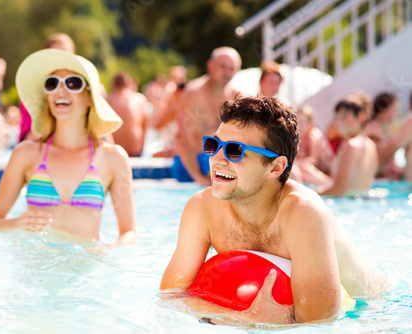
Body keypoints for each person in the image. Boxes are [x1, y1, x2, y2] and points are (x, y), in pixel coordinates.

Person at [160, 96, 382, 324]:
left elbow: (319, 322)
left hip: (370, 308)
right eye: (213, 145)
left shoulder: (303, 213)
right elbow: (169, 298)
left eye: (235, 151)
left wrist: (257, 322)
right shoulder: (202, 208)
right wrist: (242, 318)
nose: (217, 158)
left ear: (276, 167)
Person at [0, 49, 137, 252]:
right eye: (52, 83)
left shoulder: (113, 158)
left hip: (86, 270)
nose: (60, 90)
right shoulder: (26, 154)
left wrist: (108, 249)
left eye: (73, 83)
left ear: (91, 97)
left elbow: (129, 233)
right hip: (37, 270)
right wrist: (16, 224)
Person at [172, 47, 242, 185]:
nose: (227, 72)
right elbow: (183, 138)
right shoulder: (195, 93)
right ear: (210, 66)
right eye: (222, 67)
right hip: (193, 162)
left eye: (231, 68)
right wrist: (198, 177)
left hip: (220, 162)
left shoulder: (236, 97)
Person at [20, 33, 77, 142]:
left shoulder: (90, 88)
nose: (62, 58)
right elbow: (27, 140)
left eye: (66, 53)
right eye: (55, 54)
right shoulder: (32, 92)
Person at [316, 100, 378, 197]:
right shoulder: (371, 145)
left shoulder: (351, 146)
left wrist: (311, 195)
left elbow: (339, 190)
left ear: (360, 117)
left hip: (347, 204)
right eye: (337, 117)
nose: (339, 121)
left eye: (344, 116)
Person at [106, 71, 150, 157]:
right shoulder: (139, 99)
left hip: (114, 152)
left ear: (112, 85)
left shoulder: (106, 101)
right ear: (128, 84)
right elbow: (146, 125)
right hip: (134, 150)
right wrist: (142, 147)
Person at [363, 92, 402, 179]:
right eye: (395, 108)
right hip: (374, 173)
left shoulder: (389, 128)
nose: (398, 111)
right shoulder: (371, 128)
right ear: (383, 109)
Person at [292, 105, 333, 187]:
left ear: (309, 125)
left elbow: (313, 159)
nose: (298, 125)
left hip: (325, 172)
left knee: (305, 168)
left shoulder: (313, 136)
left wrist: (296, 163)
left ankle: (329, 185)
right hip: (310, 169)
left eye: (302, 122)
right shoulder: (295, 137)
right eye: (296, 121)